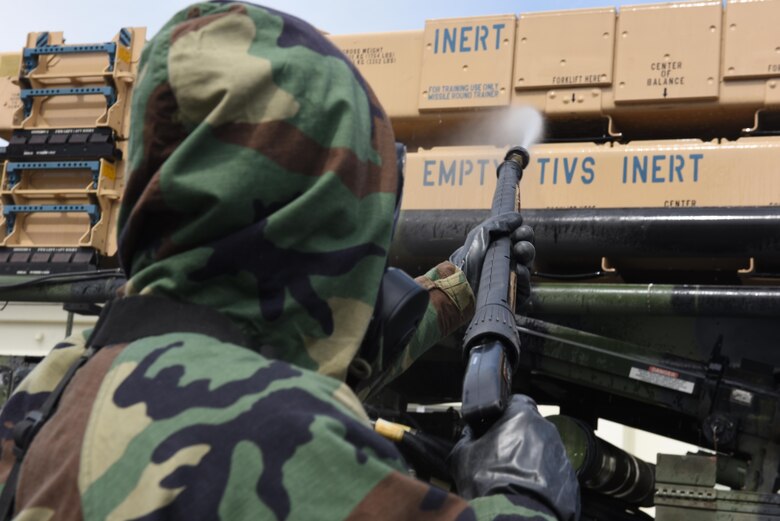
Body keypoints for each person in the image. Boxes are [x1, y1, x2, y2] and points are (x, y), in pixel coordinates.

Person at [0, 2, 580, 520]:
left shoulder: (54, 388)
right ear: (327, 206)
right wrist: (523, 497)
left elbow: (278, 349)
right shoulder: (288, 441)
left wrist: (461, 282)